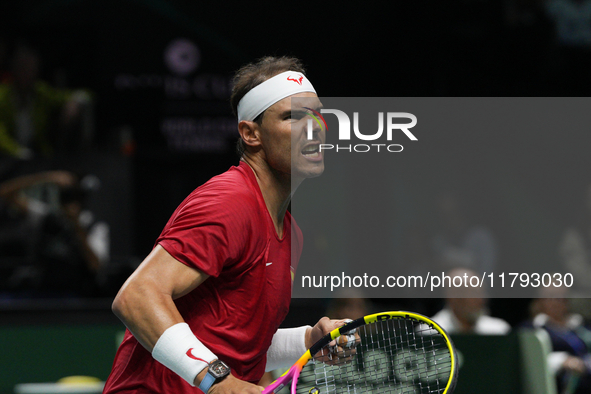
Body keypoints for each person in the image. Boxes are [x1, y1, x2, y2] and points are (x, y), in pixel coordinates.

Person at [103, 56, 343, 394]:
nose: (313, 126)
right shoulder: (228, 201)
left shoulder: (292, 234)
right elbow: (137, 297)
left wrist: (307, 339)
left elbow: (237, 341)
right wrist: (217, 381)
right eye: (293, 116)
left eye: (318, 114)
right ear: (250, 134)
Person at [431, 267, 511, 335]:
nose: (481, 300)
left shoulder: (499, 331)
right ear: (453, 298)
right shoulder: (431, 332)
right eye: (474, 294)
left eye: (482, 293)